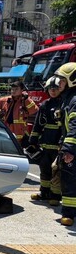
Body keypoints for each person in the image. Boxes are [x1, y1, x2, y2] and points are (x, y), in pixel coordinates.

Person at [28, 76, 63, 205]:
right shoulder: (45, 104)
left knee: (56, 170)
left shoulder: (64, 104)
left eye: (55, 88)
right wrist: (33, 139)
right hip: (45, 142)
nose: (52, 91)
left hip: (58, 143)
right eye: (50, 89)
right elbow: (38, 123)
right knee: (44, 168)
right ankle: (44, 192)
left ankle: (55, 195)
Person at [52, 62, 76, 226]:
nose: (57, 83)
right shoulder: (69, 97)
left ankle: (68, 214)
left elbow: (75, 125)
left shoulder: (74, 99)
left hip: (74, 149)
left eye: (61, 80)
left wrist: (69, 149)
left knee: (69, 179)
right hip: (70, 146)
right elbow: (66, 126)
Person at [0, 80, 39, 147]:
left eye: (16, 89)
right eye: (12, 89)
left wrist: (27, 100)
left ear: (22, 90)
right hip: (5, 132)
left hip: (20, 136)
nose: (13, 91)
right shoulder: (5, 100)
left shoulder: (25, 101)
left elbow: (34, 110)